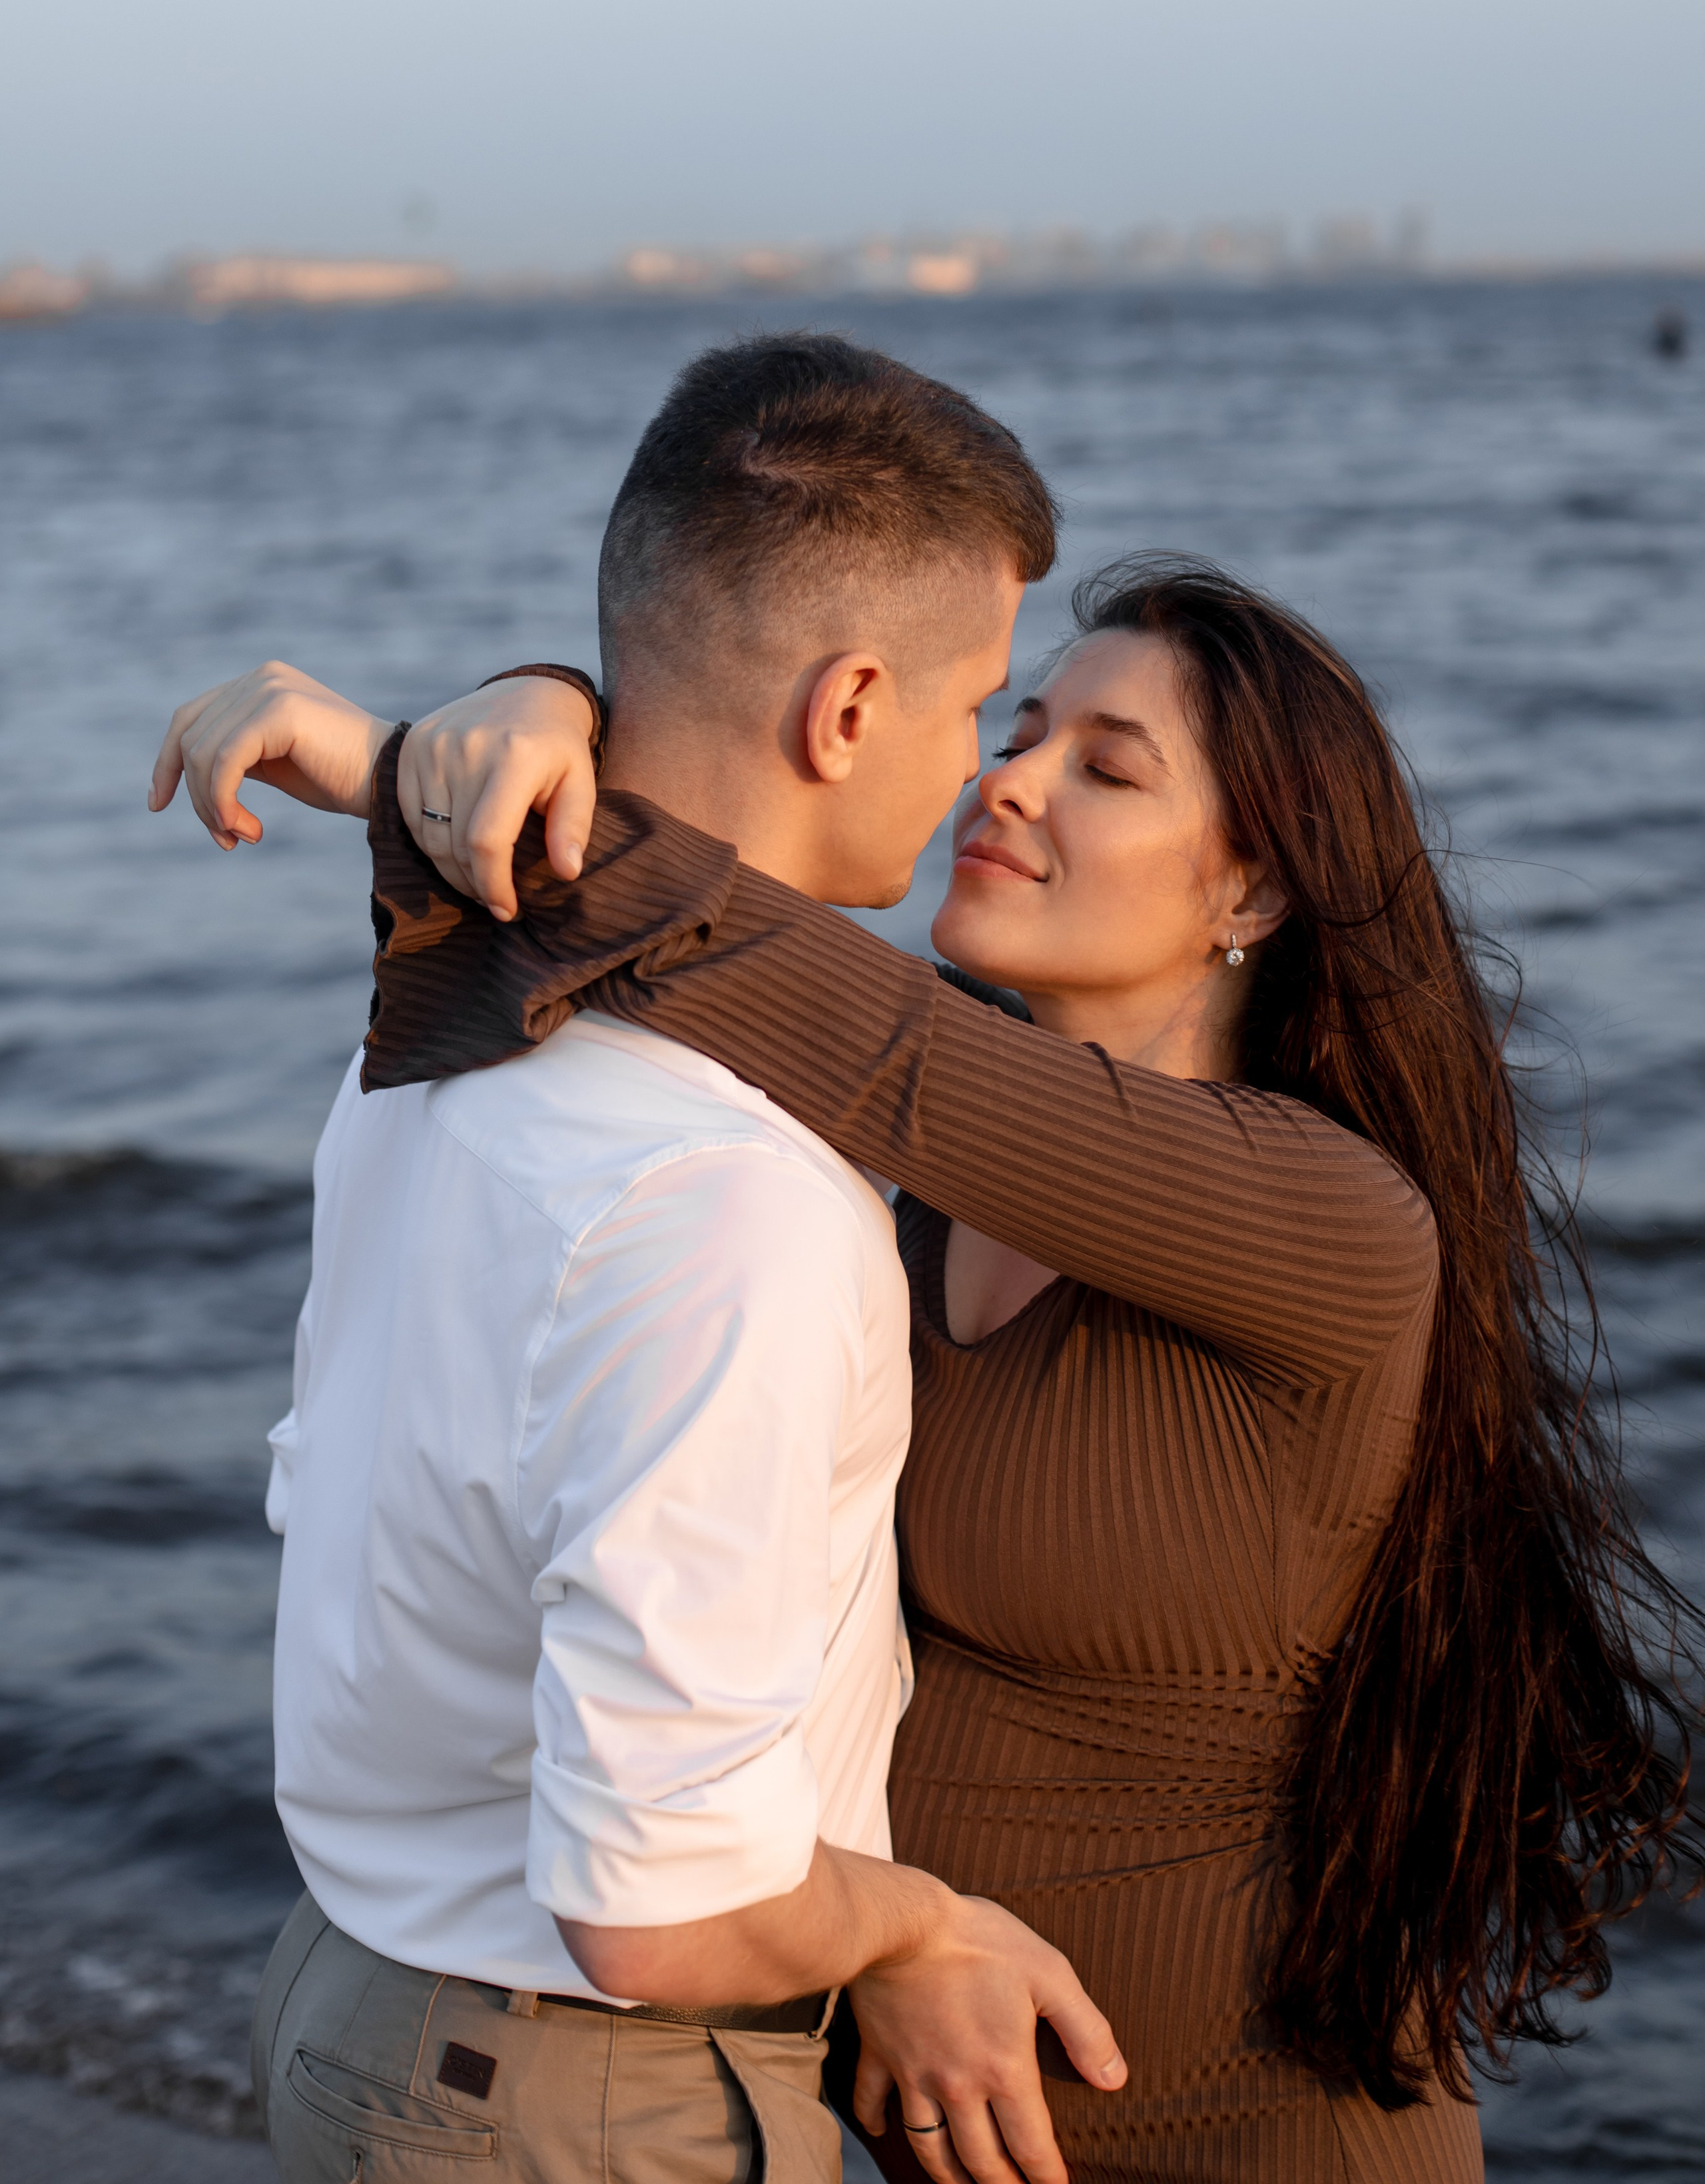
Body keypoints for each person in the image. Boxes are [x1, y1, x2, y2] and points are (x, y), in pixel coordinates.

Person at [164, 551, 1702, 2184]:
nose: (1008, 778)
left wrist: (430, 759)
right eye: (1017, 725)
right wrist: (544, 703)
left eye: (1103, 768)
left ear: (1250, 893)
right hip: (913, 2127)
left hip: (1245, 2135)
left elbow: (792, 988)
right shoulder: (896, 1202)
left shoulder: (1324, 1221)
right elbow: (680, 912)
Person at [152, 334, 1130, 2184]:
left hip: (350, 1996)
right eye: (973, 705)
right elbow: (659, 1906)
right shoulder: (732, 1203)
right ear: (847, 711)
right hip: (570, 2096)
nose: (971, 770)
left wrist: (503, 707)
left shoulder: (435, 1041)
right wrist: (921, 1923)